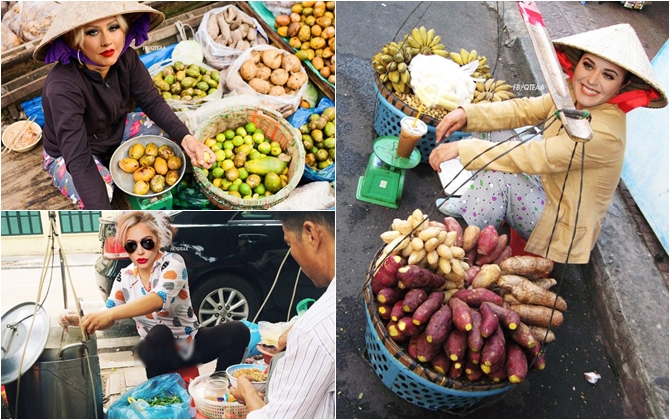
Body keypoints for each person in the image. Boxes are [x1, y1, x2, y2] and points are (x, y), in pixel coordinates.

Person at [428, 24, 667, 264]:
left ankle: (463, 247)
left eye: (608, 75)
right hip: (546, 186)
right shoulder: (570, 96)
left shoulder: (605, 133)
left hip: (561, 222)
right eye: (588, 65)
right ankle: (472, 203)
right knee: (491, 129)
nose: (592, 80)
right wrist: (468, 114)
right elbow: (524, 109)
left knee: (502, 176)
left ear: (623, 85)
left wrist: (462, 148)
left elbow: (537, 156)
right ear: (578, 63)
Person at [32, 2, 215, 209]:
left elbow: (152, 102)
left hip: (116, 130)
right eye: (92, 32)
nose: (107, 41)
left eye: (113, 27)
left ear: (124, 29)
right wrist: (109, 219)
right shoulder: (62, 87)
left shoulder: (126, 58)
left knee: (175, 137)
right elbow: (79, 161)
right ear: (75, 42)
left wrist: (187, 138)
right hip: (70, 153)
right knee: (101, 190)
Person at [59, 211, 250, 379]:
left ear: (158, 241)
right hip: (158, 353)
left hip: (190, 346)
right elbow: (108, 313)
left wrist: (110, 314)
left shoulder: (173, 262)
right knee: (158, 334)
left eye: (146, 243)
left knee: (239, 330)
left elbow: (158, 299)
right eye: (131, 246)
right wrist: (79, 320)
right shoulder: (125, 276)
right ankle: (157, 394)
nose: (140, 251)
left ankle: (221, 381)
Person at [230, 211, 335, 419]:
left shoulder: (312, 332)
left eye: (289, 244)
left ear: (311, 235)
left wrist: (248, 392)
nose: (292, 253)